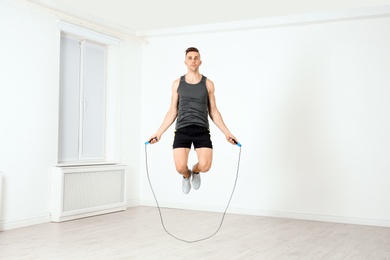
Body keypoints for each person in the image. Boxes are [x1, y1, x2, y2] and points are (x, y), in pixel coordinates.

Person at [148, 47, 238, 194]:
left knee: (205, 166)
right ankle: (187, 175)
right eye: (190, 58)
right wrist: (158, 133)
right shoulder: (177, 83)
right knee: (180, 167)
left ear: (200, 61)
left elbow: (213, 111)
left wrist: (227, 133)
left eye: (196, 58)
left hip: (201, 129)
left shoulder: (208, 84)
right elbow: (172, 111)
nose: (193, 60)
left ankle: (195, 172)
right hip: (182, 129)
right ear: (185, 61)